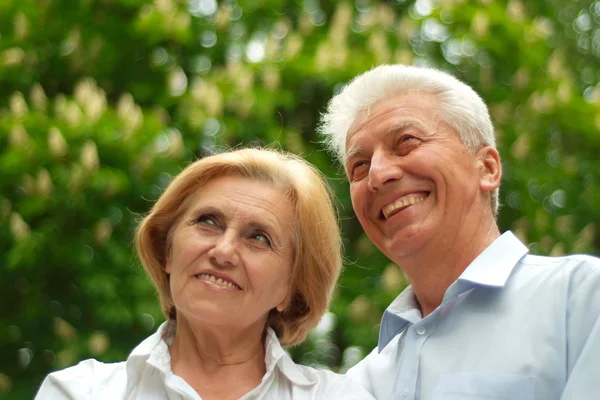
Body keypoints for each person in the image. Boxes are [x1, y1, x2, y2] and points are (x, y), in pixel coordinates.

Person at [318, 64, 600, 399]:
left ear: (487, 168)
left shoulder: (581, 298)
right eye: (359, 166)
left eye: (406, 141)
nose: (377, 174)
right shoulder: (359, 385)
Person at [36, 148, 375, 399]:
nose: (223, 251)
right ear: (167, 250)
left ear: (292, 288)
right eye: (207, 222)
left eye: (258, 238)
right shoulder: (80, 392)